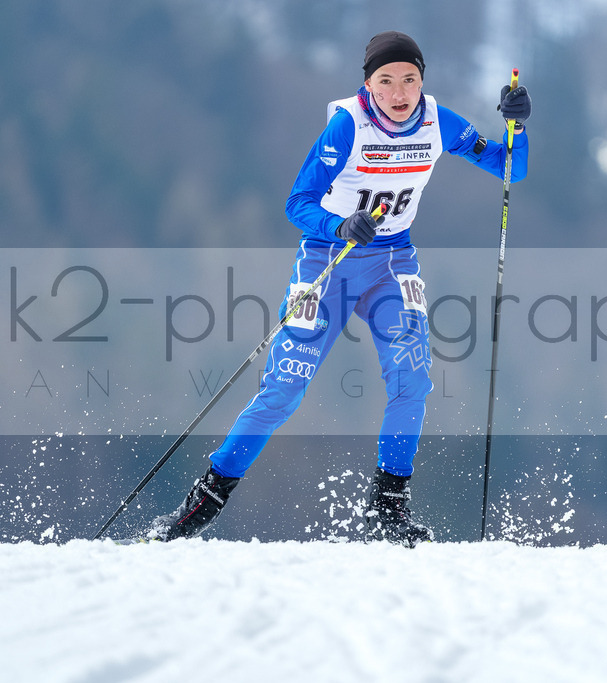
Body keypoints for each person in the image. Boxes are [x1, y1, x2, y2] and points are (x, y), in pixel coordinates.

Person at [148, 30, 530, 547]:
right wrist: (340, 225)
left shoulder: (440, 122)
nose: (399, 94)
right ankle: (205, 500)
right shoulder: (347, 125)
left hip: (393, 264)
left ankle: (388, 510)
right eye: (386, 81)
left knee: (413, 381)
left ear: (423, 82)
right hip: (329, 261)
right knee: (283, 391)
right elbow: (297, 202)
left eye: (410, 80)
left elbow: (511, 167)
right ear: (368, 84)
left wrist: (517, 126)